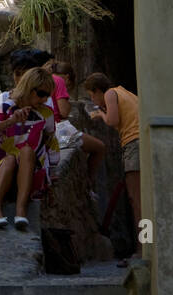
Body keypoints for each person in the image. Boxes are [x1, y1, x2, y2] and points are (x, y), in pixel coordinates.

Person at [0, 66, 60, 229]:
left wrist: (52, 171)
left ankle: (21, 209)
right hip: (3, 169)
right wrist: (11, 121)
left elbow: (50, 141)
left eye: (47, 95)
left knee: (26, 151)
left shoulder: (46, 114)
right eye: (41, 94)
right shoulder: (7, 107)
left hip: (31, 172)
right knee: (10, 158)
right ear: (29, 89)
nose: (44, 99)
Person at [83, 71, 141, 258]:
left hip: (134, 144)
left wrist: (100, 113)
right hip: (139, 143)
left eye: (92, 96)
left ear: (98, 91)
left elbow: (113, 120)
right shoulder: (124, 92)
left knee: (138, 202)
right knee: (140, 200)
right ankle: (145, 248)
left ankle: (144, 250)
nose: (94, 100)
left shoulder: (110, 94)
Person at [52, 59, 106, 192]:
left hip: (47, 128)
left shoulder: (45, 79)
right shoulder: (59, 81)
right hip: (58, 129)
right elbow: (64, 111)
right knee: (100, 147)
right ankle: (89, 184)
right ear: (68, 78)